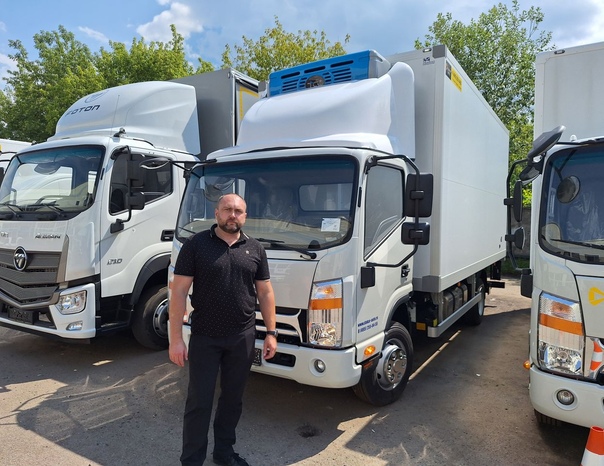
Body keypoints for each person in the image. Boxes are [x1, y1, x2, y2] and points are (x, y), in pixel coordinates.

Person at [169, 193, 277, 466]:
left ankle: (224, 453)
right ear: (216, 213)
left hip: (242, 337)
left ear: (245, 216)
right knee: (199, 402)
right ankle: (191, 460)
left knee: (232, 399)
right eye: (227, 209)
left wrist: (271, 333)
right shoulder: (195, 245)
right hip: (205, 336)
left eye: (238, 211)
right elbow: (178, 292)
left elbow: (265, 292)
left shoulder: (255, 248)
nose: (233, 215)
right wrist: (175, 340)